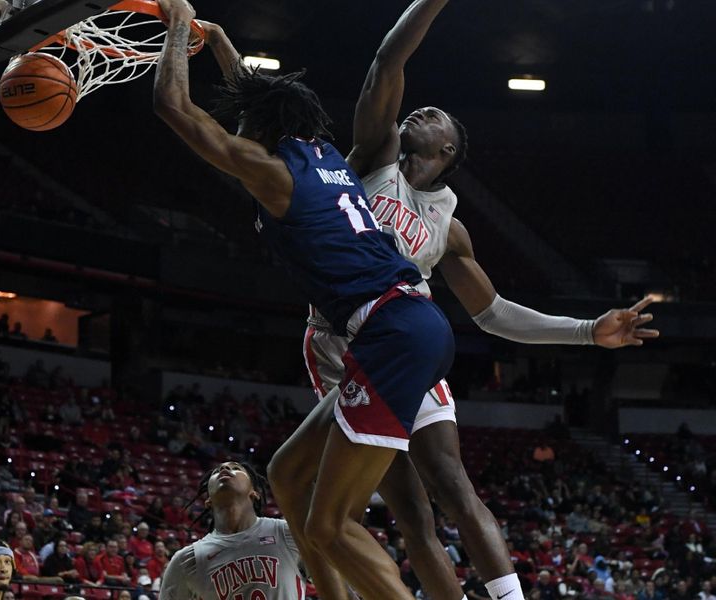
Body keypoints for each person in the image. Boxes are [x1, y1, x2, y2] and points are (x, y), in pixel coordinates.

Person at [251, 0, 657, 598]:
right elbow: (388, 59)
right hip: (342, 343)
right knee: (411, 513)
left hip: (405, 340)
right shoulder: (373, 158)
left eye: (438, 116)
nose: (425, 108)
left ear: (447, 156)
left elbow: (493, 314)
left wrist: (586, 330)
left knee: (452, 481)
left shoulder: (450, 225)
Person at [154, 1, 455, 597]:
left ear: (261, 131)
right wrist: (216, 43)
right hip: (403, 325)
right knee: (288, 479)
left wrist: (177, 25)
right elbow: (257, 98)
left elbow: (173, 107)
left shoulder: (271, 171)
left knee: (327, 523)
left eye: (245, 124)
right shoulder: (320, 153)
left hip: (394, 329)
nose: (238, 130)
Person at [159, 462, 303, 599]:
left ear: (254, 493)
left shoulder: (287, 532)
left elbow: (324, 576)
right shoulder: (187, 560)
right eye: (216, 471)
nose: (225, 468)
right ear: (208, 500)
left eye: (236, 468)